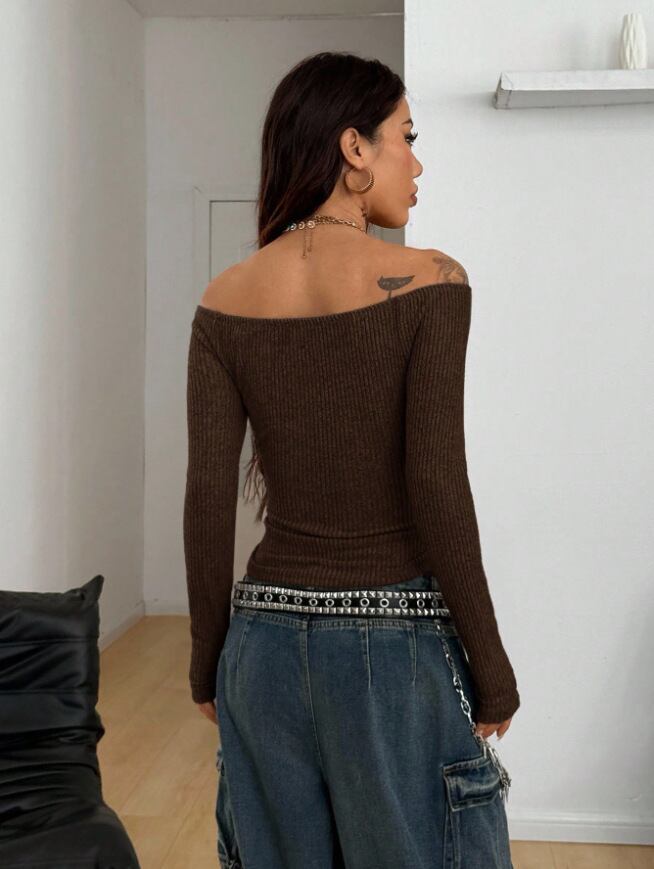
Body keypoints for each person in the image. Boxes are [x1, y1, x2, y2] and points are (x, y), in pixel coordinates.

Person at [183, 50, 520, 869]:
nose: (418, 162)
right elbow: (436, 483)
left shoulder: (224, 299)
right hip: (392, 648)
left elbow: (206, 497)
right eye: (407, 136)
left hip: (260, 647)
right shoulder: (433, 281)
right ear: (354, 148)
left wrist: (207, 665)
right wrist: (491, 664)